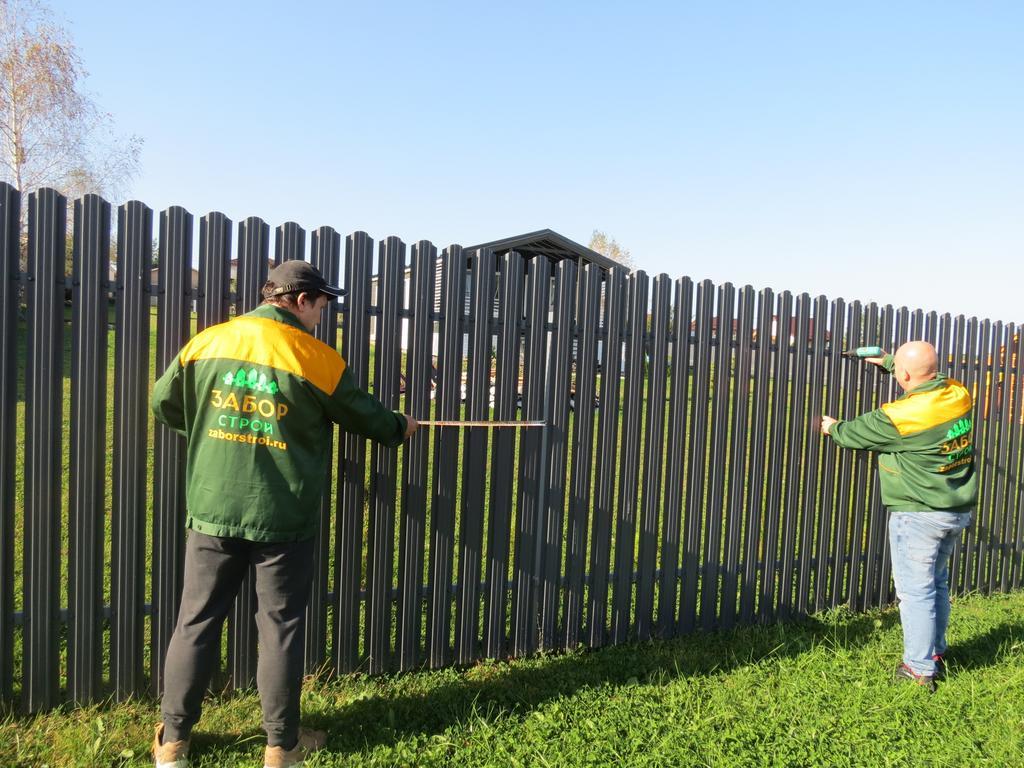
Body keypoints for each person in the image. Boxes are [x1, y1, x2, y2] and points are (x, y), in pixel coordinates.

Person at [149, 260, 418, 768]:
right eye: (321, 305)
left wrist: (213, 434)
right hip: (284, 516)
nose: (321, 316)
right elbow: (364, 415)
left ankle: (173, 744)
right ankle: (281, 746)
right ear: (299, 300)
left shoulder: (208, 342)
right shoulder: (313, 358)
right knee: (279, 628)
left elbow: (164, 403)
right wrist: (398, 425)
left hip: (213, 508)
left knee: (196, 621)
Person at [820, 340, 976, 692]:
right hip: (954, 510)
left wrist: (831, 426)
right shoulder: (958, 394)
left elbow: (852, 433)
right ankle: (935, 651)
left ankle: (919, 670)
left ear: (905, 375)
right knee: (936, 584)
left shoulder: (901, 416)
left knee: (915, 593)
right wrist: (892, 362)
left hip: (919, 514)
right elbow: (926, 375)